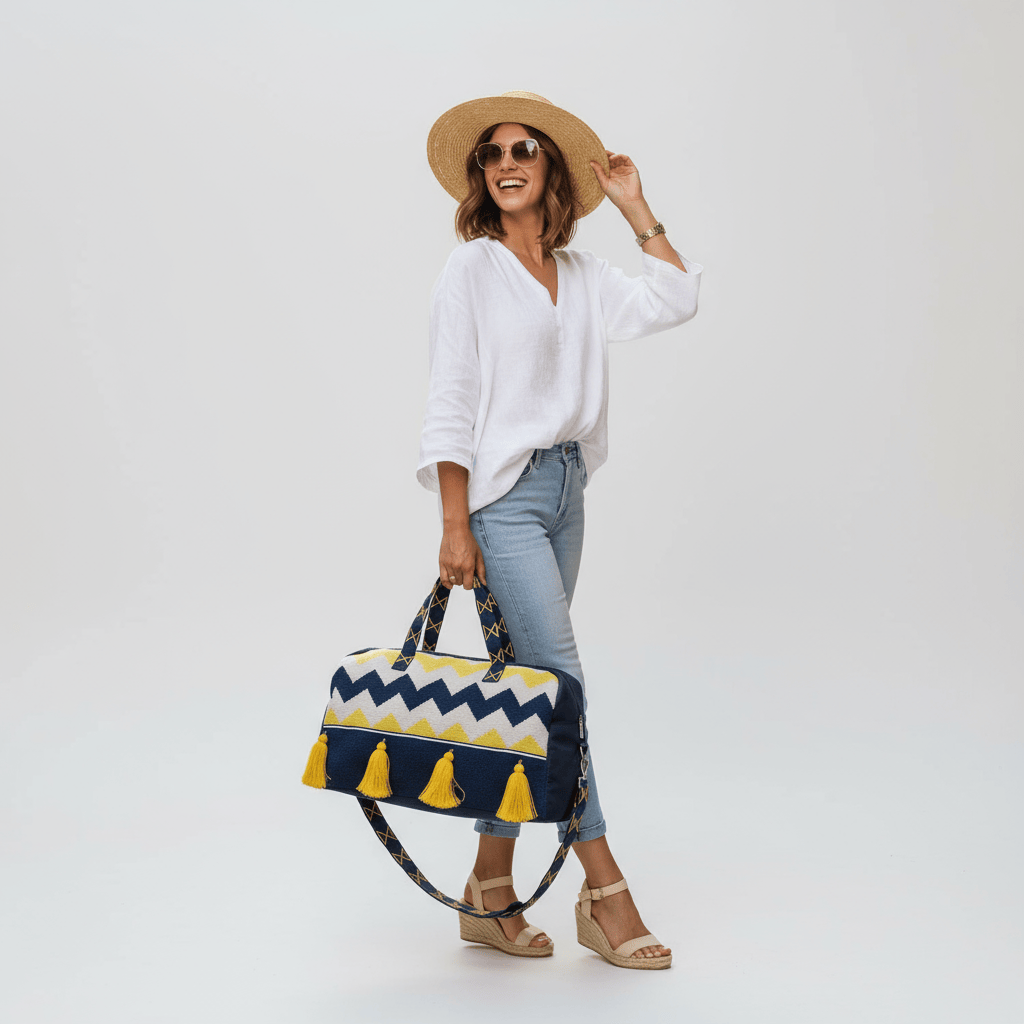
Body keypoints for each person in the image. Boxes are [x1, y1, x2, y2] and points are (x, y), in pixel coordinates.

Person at [417, 91, 702, 969]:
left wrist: (635, 206)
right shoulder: (471, 270)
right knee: (561, 690)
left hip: (568, 491)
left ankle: (488, 890)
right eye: (493, 153)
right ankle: (605, 892)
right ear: (482, 175)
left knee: (527, 693)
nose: (507, 163)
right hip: (501, 503)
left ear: (551, 171)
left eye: (525, 150)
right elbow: (451, 399)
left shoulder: (582, 276)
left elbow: (677, 298)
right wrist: (455, 524)